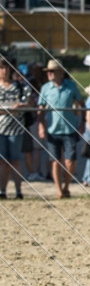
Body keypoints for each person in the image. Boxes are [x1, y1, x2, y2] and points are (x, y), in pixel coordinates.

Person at [37, 59, 83, 199]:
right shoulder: (45, 88)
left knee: (70, 161)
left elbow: (81, 103)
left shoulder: (71, 86)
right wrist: (41, 125)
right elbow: (40, 109)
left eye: (52, 71)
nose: (49, 74)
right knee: (55, 161)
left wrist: (82, 121)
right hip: (52, 129)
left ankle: (67, 186)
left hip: (69, 129)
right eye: (48, 71)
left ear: (60, 72)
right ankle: (59, 190)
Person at [0, 57, 29, 199]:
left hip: (16, 129)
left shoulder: (19, 86)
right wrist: (11, 109)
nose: (4, 71)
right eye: (1, 68)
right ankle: (3, 191)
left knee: (15, 160)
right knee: (2, 162)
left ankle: (18, 191)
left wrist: (21, 107)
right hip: (0, 129)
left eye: (6, 68)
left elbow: (28, 103)